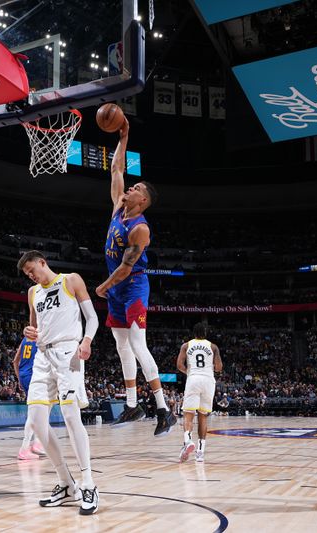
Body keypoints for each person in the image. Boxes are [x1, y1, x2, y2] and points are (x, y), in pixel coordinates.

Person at [94, 119, 174, 437]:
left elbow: (126, 268)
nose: (131, 187)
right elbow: (116, 169)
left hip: (133, 286)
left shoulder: (140, 227)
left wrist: (104, 286)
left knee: (139, 346)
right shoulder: (117, 208)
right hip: (117, 291)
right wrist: (124, 136)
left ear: (143, 202)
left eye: (137, 189)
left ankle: (163, 410)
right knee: (121, 346)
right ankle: (132, 405)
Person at [17, 250, 99, 515]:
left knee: (70, 416)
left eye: (32, 270)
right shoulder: (33, 293)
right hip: (42, 356)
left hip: (68, 353)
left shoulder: (70, 280)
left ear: (43, 262)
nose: (31, 275)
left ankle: (88, 483)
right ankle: (66, 482)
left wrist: (86, 341)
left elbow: (93, 318)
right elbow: (33, 329)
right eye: (27, 274)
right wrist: (28, 332)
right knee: (37, 422)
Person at [176, 322, 222, 463]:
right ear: (206, 333)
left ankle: (188, 440)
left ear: (194, 333)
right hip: (208, 380)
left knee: (188, 414)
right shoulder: (213, 347)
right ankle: (200, 452)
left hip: (194, 378)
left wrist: (189, 372)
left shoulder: (186, 345)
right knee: (203, 417)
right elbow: (219, 368)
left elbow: (179, 365)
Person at [13, 335, 46, 460]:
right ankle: (27, 447)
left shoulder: (25, 339)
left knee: (38, 409)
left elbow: (15, 361)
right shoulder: (41, 337)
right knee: (38, 409)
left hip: (25, 375)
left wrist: (19, 379)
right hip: (35, 374)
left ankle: (36, 443)